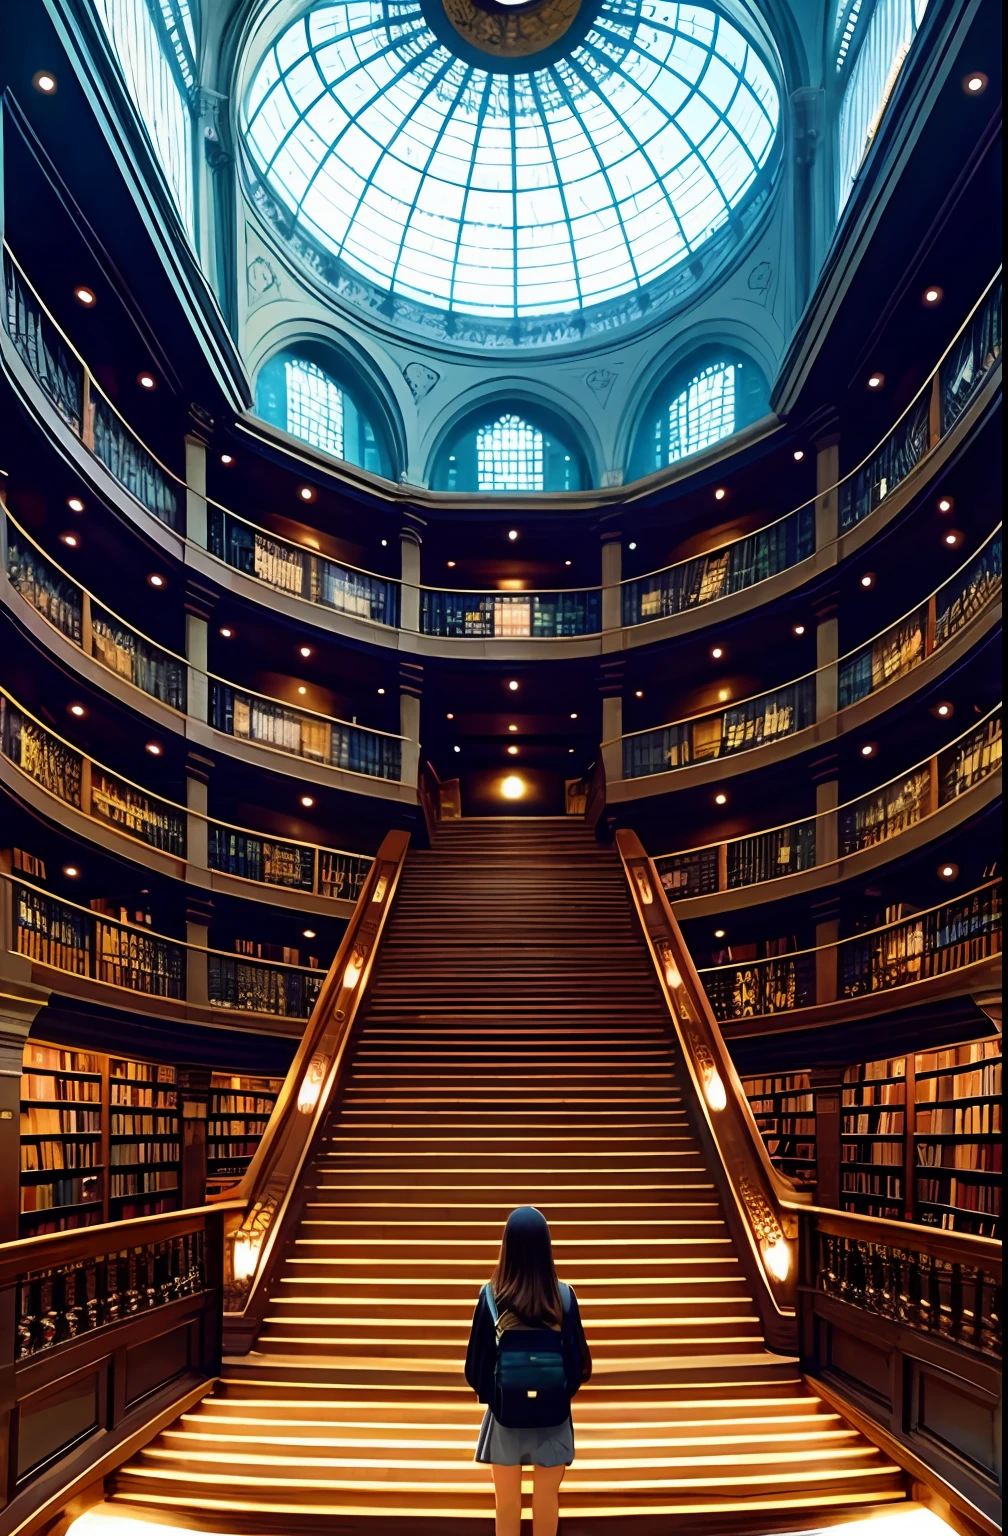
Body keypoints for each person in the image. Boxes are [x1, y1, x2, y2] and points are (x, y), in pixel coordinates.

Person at [464, 1206, 592, 1536]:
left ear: (506, 1246)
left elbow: (474, 1367)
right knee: (547, 1499)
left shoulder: (490, 1296)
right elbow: (581, 1364)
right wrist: (554, 1393)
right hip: (553, 1418)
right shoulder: (564, 1297)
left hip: (505, 1418)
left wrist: (500, 1396)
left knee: (506, 1505)